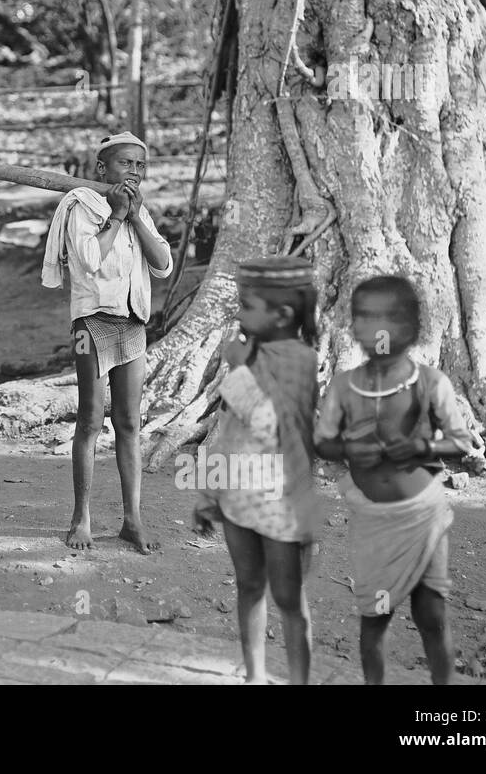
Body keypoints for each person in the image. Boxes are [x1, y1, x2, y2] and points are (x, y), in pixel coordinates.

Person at [315, 275, 482, 685]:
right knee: (376, 617)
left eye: (389, 318)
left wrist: (420, 449)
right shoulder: (344, 388)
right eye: (365, 318)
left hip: (422, 518)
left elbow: (462, 443)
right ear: (353, 327)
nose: (377, 330)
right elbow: (322, 442)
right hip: (374, 525)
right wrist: (349, 449)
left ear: (412, 328)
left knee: (432, 614)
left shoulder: (430, 384)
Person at [41, 131, 173, 554]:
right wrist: (116, 216)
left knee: (130, 424)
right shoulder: (83, 205)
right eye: (125, 164)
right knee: (90, 420)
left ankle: (132, 520)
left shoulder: (139, 212)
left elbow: (164, 264)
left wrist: (133, 216)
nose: (134, 171)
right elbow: (89, 259)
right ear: (102, 169)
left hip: (133, 323)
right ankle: (82, 518)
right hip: (91, 325)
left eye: (140, 165)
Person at [192, 257, 322, 685]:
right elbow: (230, 430)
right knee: (248, 587)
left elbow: (271, 425)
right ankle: (254, 676)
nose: (238, 314)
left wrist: (238, 370)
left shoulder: (300, 361)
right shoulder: (251, 354)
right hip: (238, 500)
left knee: (288, 597)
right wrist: (209, 493)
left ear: (282, 314)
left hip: (280, 506)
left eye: (248, 306)